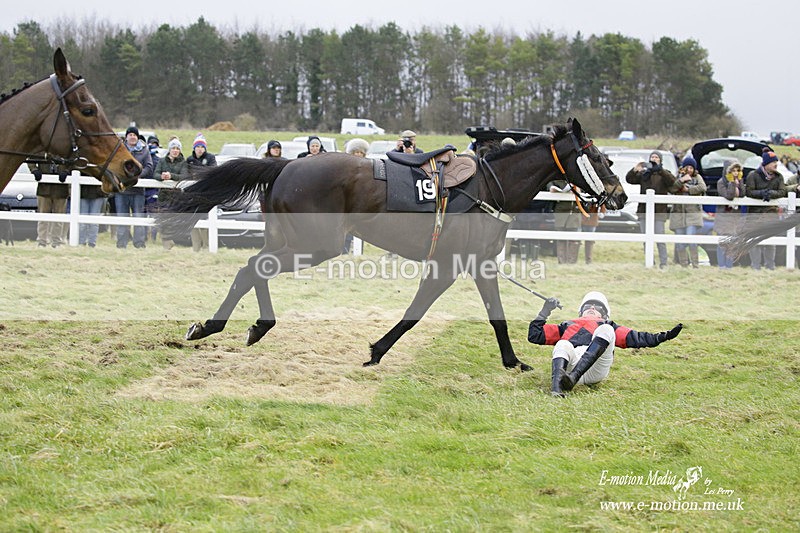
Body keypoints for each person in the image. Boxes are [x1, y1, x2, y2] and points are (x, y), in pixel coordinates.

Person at [528, 292, 683, 397]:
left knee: (606, 330)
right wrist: (545, 310)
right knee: (562, 344)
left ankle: (573, 378)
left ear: (604, 314)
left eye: (598, 307)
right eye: (588, 306)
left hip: (596, 368)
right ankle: (557, 388)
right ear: (580, 312)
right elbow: (535, 335)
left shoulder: (607, 324)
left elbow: (638, 338)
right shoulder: (567, 325)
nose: (592, 308)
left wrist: (664, 337)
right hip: (571, 363)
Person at [626, 151, 682, 269]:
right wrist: (635, 169)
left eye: (656, 157)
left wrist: (660, 170)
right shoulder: (644, 174)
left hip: (659, 211)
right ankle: (649, 261)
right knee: (646, 239)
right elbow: (629, 179)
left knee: (660, 238)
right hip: (644, 211)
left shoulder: (665, 173)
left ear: (660, 160)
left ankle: (663, 262)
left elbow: (672, 181)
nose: (654, 158)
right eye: (652, 157)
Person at [744, 148, 788, 270]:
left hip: (771, 213)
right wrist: (762, 193)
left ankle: (770, 266)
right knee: (755, 241)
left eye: (776, 162)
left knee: (770, 241)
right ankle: (756, 266)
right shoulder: (753, 175)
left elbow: (782, 191)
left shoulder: (779, 177)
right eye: (773, 162)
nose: (776, 164)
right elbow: (749, 191)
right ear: (766, 163)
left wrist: (771, 193)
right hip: (755, 214)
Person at [115, 126, 153, 249]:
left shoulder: (144, 150)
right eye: (130, 135)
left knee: (138, 217)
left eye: (134, 135)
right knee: (122, 217)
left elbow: (149, 166)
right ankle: (121, 243)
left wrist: (138, 176)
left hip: (138, 190)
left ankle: (139, 243)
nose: (132, 137)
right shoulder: (120, 149)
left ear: (137, 137)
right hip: (122, 190)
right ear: (126, 137)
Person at [670, 155, 707, 268]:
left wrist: (688, 190)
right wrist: (681, 180)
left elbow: (703, 187)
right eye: (687, 167)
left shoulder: (698, 178)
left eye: (691, 168)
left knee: (691, 240)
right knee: (680, 243)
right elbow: (672, 189)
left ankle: (695, 265)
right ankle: (684, 265)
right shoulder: (678, 177)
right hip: (678, 214)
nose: (689, 170)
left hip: (693, 214)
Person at [154, 138, 189, 250]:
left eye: (177, 148)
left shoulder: (183, 162)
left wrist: (171, 176)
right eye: (173, 148)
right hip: (163, 195)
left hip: (176, 196)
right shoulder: (162, 161)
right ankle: (166, 243)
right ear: (169, 149)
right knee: (162, 219)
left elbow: (184, 176)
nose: (175, 150)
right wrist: (161, 177)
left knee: (173, 219)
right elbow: (155, 174)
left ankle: (170, 241)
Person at [186, 132, 217, 251]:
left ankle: (206, 245)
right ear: (194, 148)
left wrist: (200, 174)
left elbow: (213, 171)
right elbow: (186, 174)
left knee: (204, 219)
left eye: (202, 147)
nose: (199, 149)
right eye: (197, 147)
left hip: (206, 193)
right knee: (193, 219)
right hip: (193, 193)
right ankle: (196, 247)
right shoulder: (189, 159)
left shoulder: (210, 158)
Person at [30, 162, 69, 248]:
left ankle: (56, 242)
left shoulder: (65, 150)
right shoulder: (43, 150)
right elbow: (31, 160)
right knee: (42, 217)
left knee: (59, 218)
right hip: (44, 189)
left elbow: (73, 164)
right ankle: (42, 241)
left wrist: (67, 171)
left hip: (61, 190)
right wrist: (34, 170)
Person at [714, 162, 745, 269]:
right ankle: (721, 265)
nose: (735, 173)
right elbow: (729, 195)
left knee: (732, 243)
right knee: (722, 243)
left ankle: (729, 266)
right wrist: (732, 182)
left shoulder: (739, 181)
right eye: (733, 171)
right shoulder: (721, 182)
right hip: (723, 216)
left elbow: (742, 194)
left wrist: (739, 182)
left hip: (735, 217)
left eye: (737, 170)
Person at [548, 179, 581, 263]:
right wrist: (551, 188)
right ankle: (561, 261)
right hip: (560, 212)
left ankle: (572, 261)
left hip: (574, 212)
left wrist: (579, 190)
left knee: (573, 239)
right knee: (560, 239)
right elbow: (549, 183)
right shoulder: (558, 179)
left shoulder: (577, 178)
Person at [145, 135, 161, 241]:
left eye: (155, 144)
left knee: (154, 214)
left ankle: (153, 237)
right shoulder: (144, 158)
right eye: (151, 144)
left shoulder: (159, 160)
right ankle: (144, 235)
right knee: (143, 214)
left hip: (154, 190)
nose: (153, 146)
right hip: (143, 190)